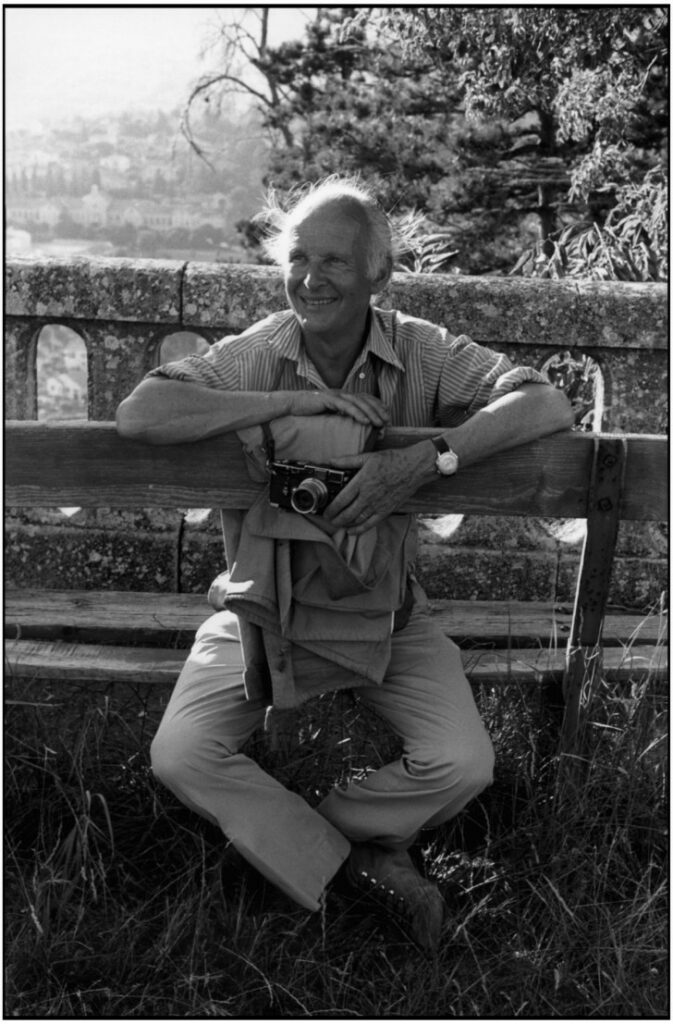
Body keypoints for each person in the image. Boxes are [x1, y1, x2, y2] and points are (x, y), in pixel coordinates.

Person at [116, 176, 573, 952]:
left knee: (461, 761)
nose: (309, 278)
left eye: (332, 260)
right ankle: (360, 867)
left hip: (386, 609)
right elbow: (142, 413)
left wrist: (425, 461)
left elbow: (544, 403)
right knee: (181, 753)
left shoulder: (422, 350)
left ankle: (320, 843)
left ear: (378, 276)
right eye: (297, 258)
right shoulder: (259, 352)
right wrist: (286, 406)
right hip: (261, 612)